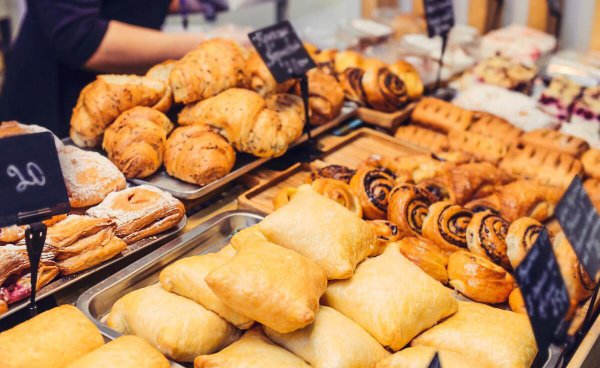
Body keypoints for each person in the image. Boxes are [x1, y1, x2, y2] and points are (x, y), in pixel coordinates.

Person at [0, 0, 210, 138]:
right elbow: (81, 36)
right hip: (56, 100)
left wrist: (182, 4)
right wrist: (205, 43)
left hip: (125, 95)